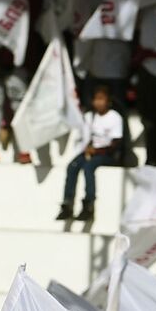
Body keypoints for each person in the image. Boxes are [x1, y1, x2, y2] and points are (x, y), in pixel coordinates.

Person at [58, 85, 124, 222]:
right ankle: (68, 202)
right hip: (89, 152)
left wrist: (98, 150)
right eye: (96, 99)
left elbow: (116, 142)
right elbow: (83, 137)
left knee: (88, 168)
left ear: (108, 101)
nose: (98, 102)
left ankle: (89, 203)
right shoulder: (89, 117)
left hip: (106, 154)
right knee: (72, 166)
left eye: (102, 99)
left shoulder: (114, 117)